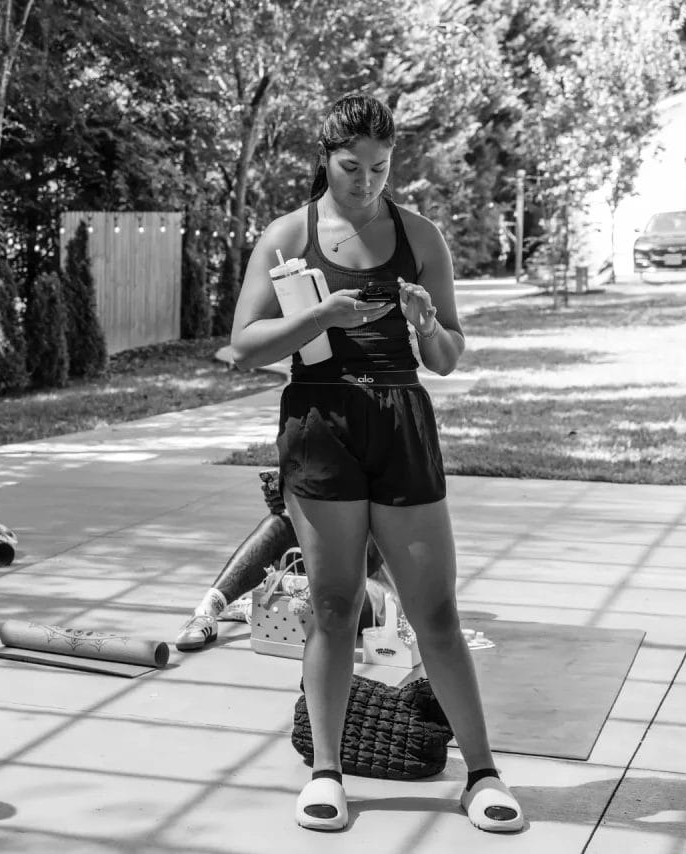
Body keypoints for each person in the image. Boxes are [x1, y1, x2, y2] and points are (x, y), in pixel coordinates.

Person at [229, 93, 523, 833]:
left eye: (380, 167)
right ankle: (326, 773)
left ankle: (482, 774)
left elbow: (447, 357)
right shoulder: (288, 235)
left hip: (400, 422)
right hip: (319, 424)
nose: (366, 182)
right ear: (325, 159)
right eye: (351, 166)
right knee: (333, 606)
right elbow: (243, 348)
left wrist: (426, 326)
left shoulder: (419, 235)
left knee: (437, 612)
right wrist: (319, 316)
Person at [175, 470, 387, 652]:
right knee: (278, 524)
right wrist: (288, 501)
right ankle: (208, 609)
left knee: (335, 601)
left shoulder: (382, 456)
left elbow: (368, 559)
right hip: (329, 564)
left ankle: (263, 606)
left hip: (374, 591)